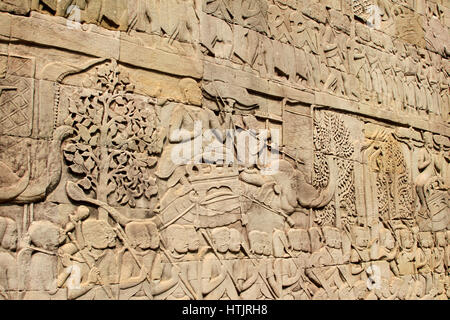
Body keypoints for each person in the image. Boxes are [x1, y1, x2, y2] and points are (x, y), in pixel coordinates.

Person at [0, 217, 18, 300]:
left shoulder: (6, 258)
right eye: (12, 234)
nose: (17, 238)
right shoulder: (7, 259)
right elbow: (15, 291)